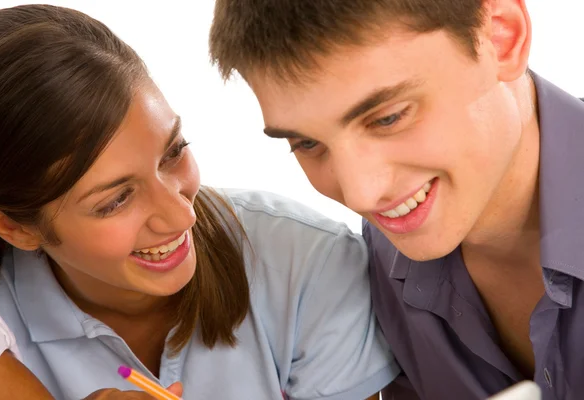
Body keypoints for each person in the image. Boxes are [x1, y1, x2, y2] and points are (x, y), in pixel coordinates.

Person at [0, 4, 399, 399]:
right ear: (14, 227)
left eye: (173, 152)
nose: (182, 216)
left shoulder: (308, 265)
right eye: (116, 200)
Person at [208, 0, 584, 399]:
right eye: (307, 143)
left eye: (388, 118)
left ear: (501, 38)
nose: (360, 194)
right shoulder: (382, 260)